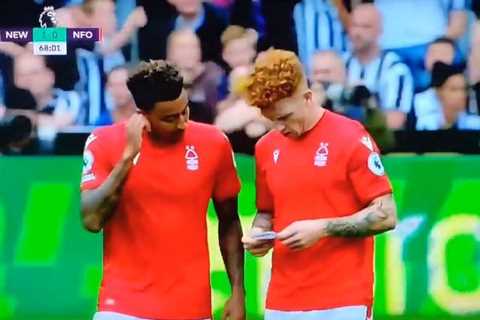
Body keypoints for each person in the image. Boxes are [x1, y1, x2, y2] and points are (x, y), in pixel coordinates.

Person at [80, 60, 245, 320]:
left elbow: (230, 221)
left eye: (185, 111)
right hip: (123, 305)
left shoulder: (215, 143)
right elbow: (91, 220)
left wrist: (238, 291)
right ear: (142, 115)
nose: (182, 123)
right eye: (170, 118)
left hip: (191, 307)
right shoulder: (104, 142)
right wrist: (126, 160)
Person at [241, 49, 397, 320]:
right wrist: (259, 233)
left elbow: (386, 214)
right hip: (282, 300)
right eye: (272, 120)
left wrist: (323, 228)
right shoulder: (266, 148)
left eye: (285, 117)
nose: (279, 128)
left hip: (342, 299)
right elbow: (267, 212)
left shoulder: (350, 136)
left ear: (308, 97)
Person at [344, 3, 414, 130]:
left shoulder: (396, 69)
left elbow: (395, 122)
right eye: (354, 25)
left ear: (379, 31)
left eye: (366, 26)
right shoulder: (340, 64)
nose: (357, 32)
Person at [414, 62, 480, 130]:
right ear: (439, 92)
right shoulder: (425, 125)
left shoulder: (475, 125)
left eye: (464, 89)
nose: (462, 95)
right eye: (454, 89)